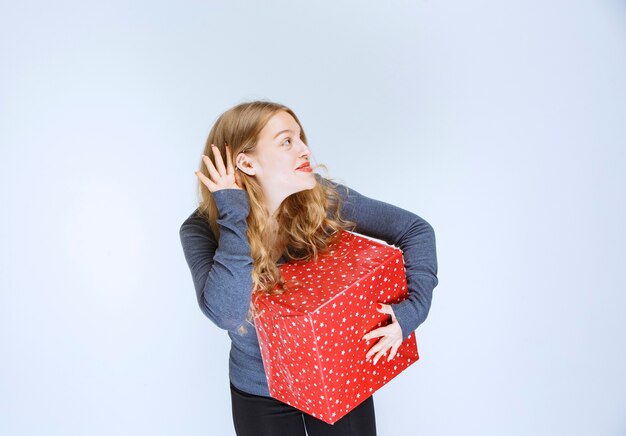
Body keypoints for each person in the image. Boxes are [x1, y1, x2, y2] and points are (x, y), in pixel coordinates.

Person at [179, 100, 439, 436]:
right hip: (260, 391)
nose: (304, 149)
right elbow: (227, 314)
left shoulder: (320, 197)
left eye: (300, 138)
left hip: (336, 371)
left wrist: (413, 311)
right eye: (287, 141)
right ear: (246, 162)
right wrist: (233, 214)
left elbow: (415, 230)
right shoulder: (201, 229)